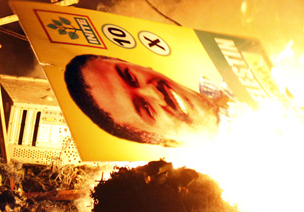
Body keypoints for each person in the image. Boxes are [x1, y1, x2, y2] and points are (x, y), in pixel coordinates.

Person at [63, 54, 223, 146]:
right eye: (147, 108)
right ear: (171, 141)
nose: (152, 92)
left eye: (131, 77)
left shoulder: (221, 64)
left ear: (143, 67)